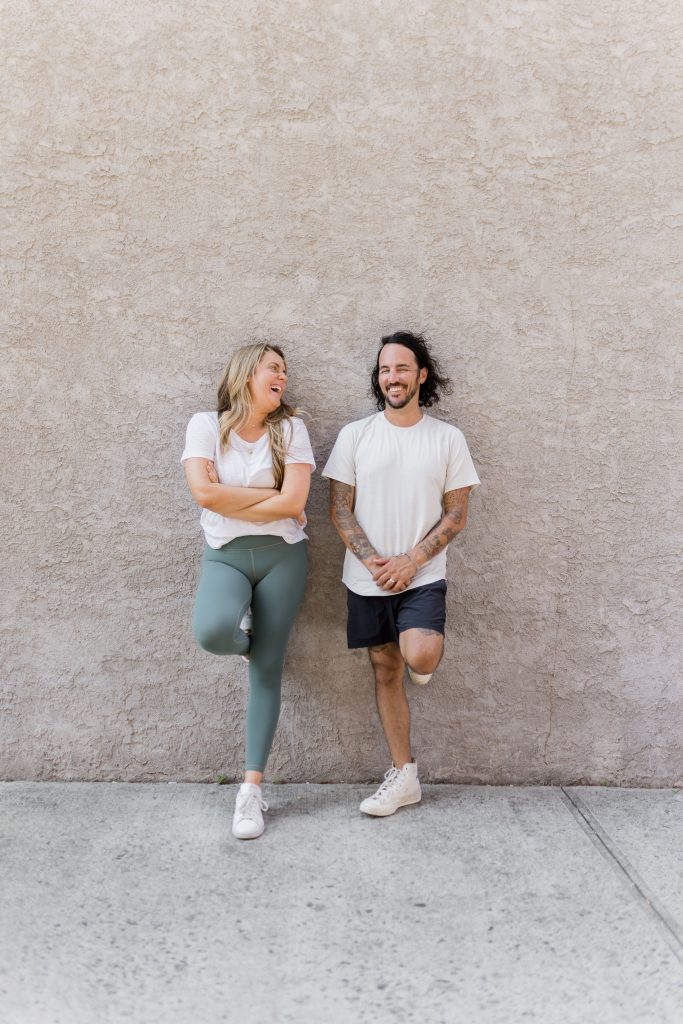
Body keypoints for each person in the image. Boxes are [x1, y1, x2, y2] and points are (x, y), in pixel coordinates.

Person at [323, 331, 480, 817]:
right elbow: (339, 509)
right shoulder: (356, 435)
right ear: (379, 377)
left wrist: (411, 561)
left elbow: (455, 515)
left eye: (402, 368)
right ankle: (404, 775)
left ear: (421, 375)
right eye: (385, 369)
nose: (392, 377)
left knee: (420, 656)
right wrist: (374, 561)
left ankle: (423, 663)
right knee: (385, 667)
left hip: (424, 574)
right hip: (366, 576)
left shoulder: (447, 438)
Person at [182, 343, 315, 840]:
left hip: (284, 557)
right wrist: (273, 499)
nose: (282, 375)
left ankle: (251, 790)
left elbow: (297, 502)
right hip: (226, 553)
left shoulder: (291, 429)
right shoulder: (205, 425)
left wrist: (245, 499)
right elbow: (204, 493)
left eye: (285, 369)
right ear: (246, 374)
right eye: (273, 368)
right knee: (214, 633)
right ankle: (245, 631)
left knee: (267, 669)